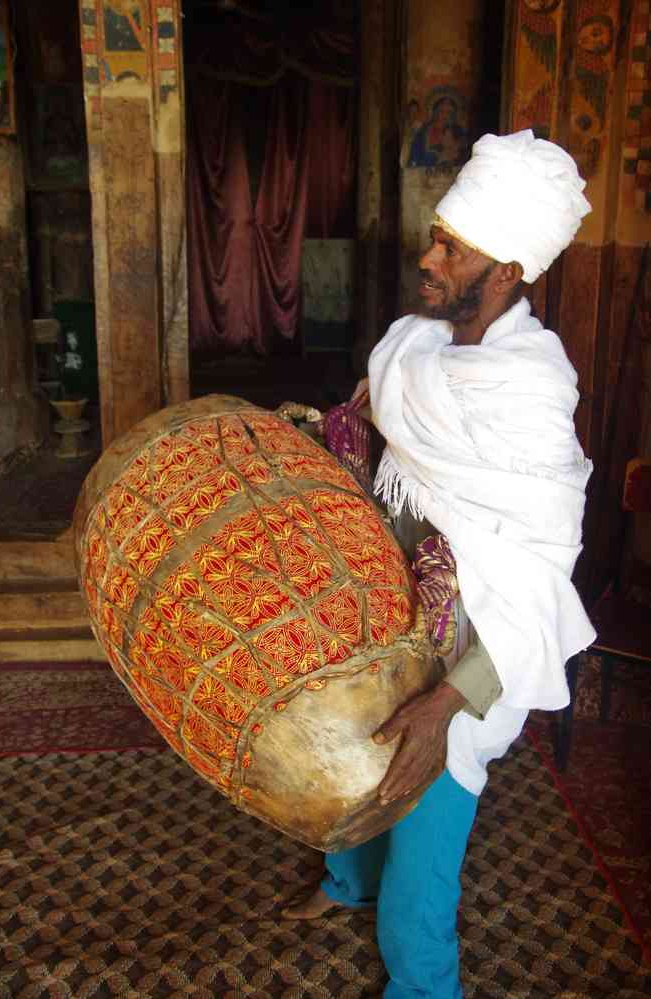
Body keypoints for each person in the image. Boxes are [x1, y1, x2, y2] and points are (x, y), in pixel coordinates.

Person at [282, 129, 596, 999]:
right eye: (437, 235)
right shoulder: (414, 348)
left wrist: (445, 701)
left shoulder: (532, 393)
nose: (427, 257)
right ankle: (347, 880)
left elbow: (538, 579)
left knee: (420, 858)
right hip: (391, 608)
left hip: (468, 655)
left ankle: (423, 984)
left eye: (451, 249)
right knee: (340, 751)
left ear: (506, 274)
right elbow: (385, 443)